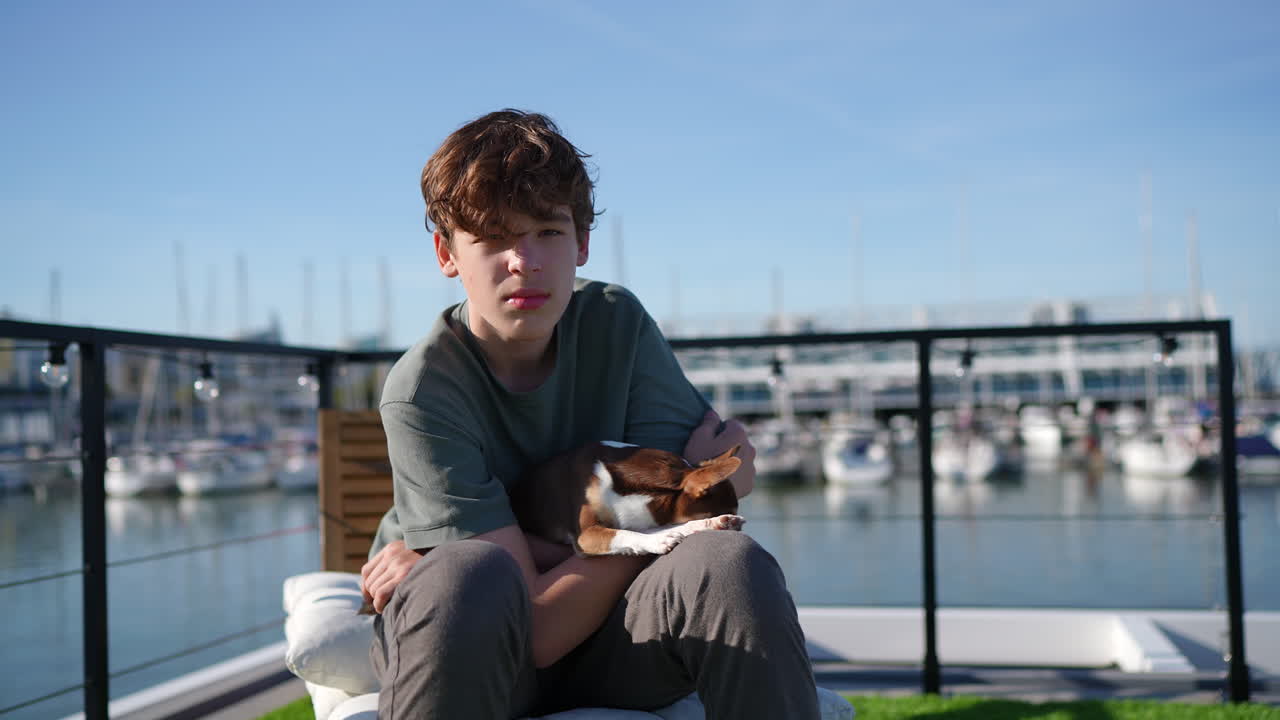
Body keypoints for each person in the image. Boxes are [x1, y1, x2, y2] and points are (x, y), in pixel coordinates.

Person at [359, 109, 819, 720]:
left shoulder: (616, 322)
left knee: (726, 563)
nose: (524, 260)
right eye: (494, 237)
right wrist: (694, 507)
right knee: (469, 574)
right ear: (447, 253)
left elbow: (688, 503)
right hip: (472, 643)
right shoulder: (422, 391)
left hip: (613, 638)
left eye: (547, 232)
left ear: (581, 242)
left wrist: (680, 511)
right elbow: (538, 624)